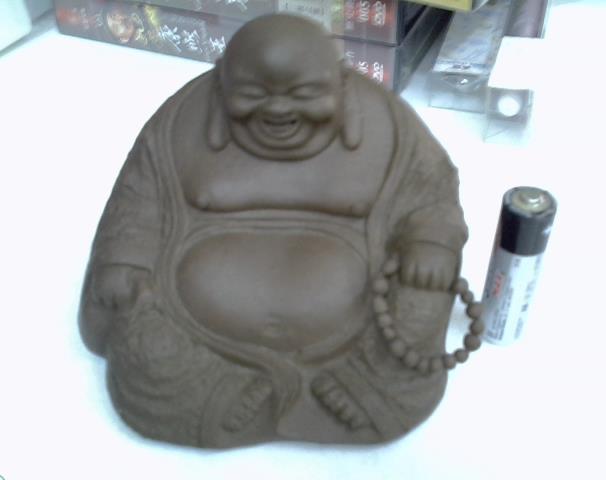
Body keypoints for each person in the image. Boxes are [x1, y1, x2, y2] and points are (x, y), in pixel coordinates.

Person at [80, 14, 468, 448]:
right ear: (222, 83)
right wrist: (123, 259)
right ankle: (213, 390)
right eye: (252, 94)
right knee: (142, 335)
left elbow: (431, 193)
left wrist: (431, 242)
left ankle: (366, 383)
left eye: (304, 94)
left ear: (340, 83)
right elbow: (138, 198)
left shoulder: (388, 124)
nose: (278, 110)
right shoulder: (181, 118)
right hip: (189, 327)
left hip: (363, 323)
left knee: (422, 298)